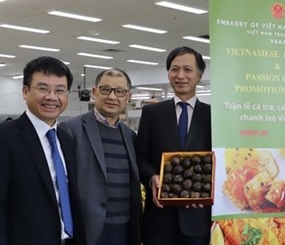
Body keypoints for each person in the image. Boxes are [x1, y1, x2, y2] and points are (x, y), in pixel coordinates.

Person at [0, 56, 82, 245]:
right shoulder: (5, 138)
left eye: (60, 90)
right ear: (25, 91)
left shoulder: (67, 141)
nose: (52, 97)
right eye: (43, 88)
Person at [136, 46, 211, 245]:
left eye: (188, 70)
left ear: (199, 75)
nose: (181, 75)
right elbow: (141, 157)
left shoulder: (213, 116)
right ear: (168, 73)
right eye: (174, 69)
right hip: (159, 218)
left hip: (198, 217)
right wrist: (152, 177)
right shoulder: (152, 114)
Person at [59, 68, 142, 245]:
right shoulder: (71, 130)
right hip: (90, 230)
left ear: (128, 97)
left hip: (126, 229)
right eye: (106, 90)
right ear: (95, 92)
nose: (112, 97)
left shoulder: (130, 136)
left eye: (119, 92)